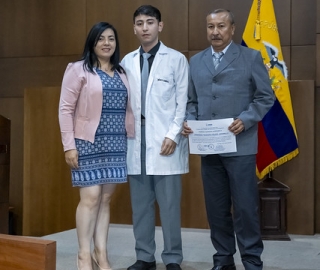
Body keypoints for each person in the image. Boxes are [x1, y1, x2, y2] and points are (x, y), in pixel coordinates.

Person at [182, 9, 275, 270]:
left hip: (241, 146)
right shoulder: (196, 61)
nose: (215, 32)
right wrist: (189, 120)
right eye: (210, 27)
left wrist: (245, 119)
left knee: (245, 208)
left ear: (232, 29)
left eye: (221, 26)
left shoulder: (250, 57)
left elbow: (265, 97)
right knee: (216, 208)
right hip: (208, 147)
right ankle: (223, 260)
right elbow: (191, 101)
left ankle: (252, 260)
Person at [58, 22, 134, 270]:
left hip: (115, 142)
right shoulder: (78, 69)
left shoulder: (122, 72)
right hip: (87, 142)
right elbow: (65, 109)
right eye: (101, 38)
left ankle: (101, 254)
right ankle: (83, 254)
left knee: (105, 199)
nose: (106, 43)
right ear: (92, 42)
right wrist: (69, 145)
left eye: (111, 38)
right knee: (90, 198)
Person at [121, 5, 189, 270]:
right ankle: (144, 257)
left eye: (150, 22)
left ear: (160, 26)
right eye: (139, 23)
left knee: (170, 208)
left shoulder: (176, 59)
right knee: (141, 207)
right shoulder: (126, 62)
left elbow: (182, 103)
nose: (145, 27)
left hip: (166, 143)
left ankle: (172, 258)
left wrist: (173, 135)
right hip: (135, 143)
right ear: (134, 28)